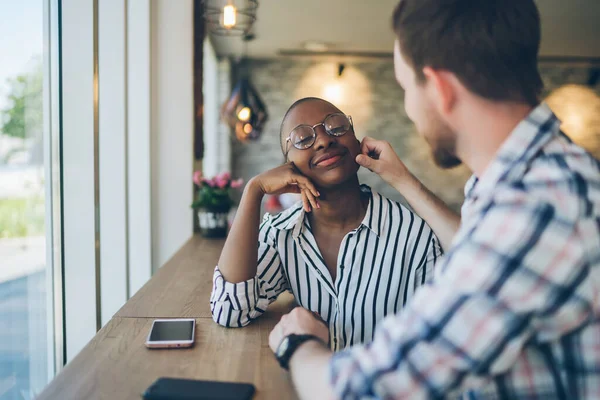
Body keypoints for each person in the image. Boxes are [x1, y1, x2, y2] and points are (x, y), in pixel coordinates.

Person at [268, 0, 600, 399]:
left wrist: (300, 343)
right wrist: (403, 179)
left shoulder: (532, 209)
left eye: (407, 88)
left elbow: (364, 389)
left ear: (440, 89)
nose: (409, 108)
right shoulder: (524, 179)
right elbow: (474, 252)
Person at [210, 97, 442, 350]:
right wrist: (254, 190)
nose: (323, 140)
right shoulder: (282, 233)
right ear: (289, 165)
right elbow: (230, 310)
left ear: (357, 142)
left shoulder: (415, 236)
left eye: (336, 126)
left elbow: (435, 341)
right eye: (302, 138)